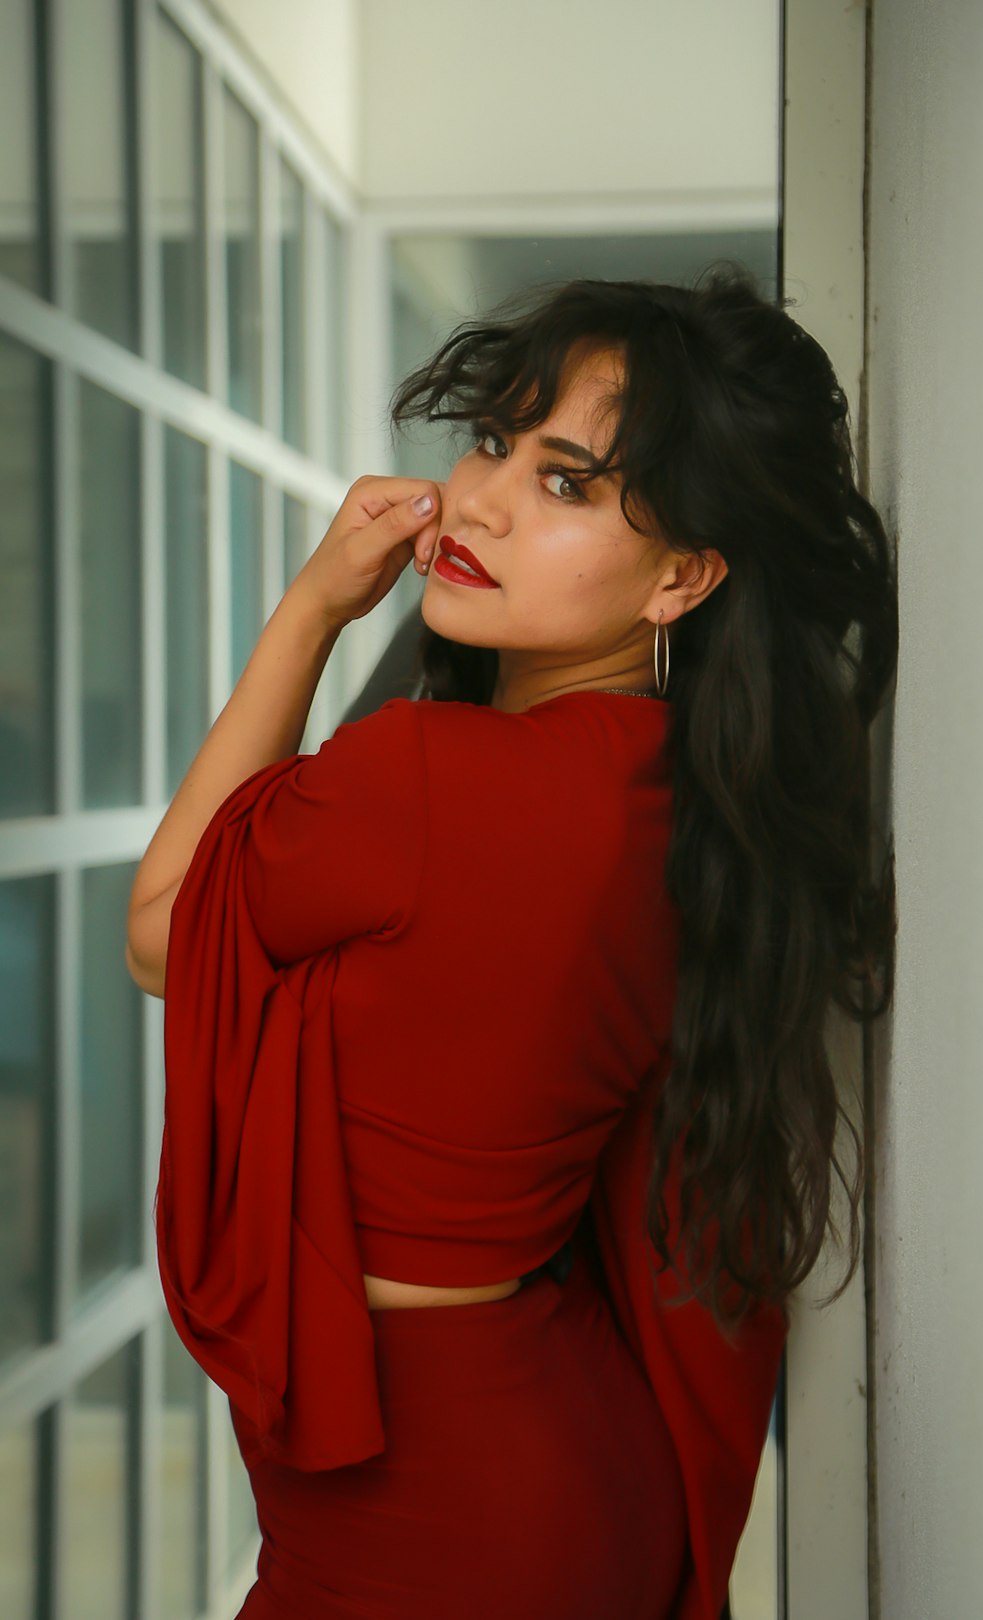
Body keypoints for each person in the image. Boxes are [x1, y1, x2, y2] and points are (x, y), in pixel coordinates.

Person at [126, 260, 898, 1620]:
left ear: (682, 579)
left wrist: (313, 609)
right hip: (535, 1468)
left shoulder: (431, 777)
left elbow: (160, 932)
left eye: (565, 482)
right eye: (493, 441)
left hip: (433, 1513)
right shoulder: (684, 799)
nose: (479, 497)